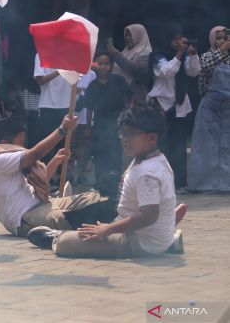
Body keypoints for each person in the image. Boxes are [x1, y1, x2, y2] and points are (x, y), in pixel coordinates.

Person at [27, 102, 185, 258]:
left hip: (140, 243)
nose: (124, 139)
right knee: (91, 220)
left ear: (151, 138)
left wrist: (108, 229)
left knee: (66, 244)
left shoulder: (147, 173)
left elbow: (149, 216)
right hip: (148, 236)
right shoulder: (156, 159)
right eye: (122, 133)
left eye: (131, 134)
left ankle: (58, 237)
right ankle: (169, 241)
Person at [0, 115, 116, 237]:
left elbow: (40, 180)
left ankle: (119, 211)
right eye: (20, 142)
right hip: (25, 218)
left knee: (91, 198)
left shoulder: (8, 161)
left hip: (42, 205)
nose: (23, 146)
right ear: (4, 143)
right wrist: (62, 130)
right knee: (74, 216)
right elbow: (35, 154)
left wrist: (56, 160)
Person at [147, 23, 200, 189]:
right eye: (176, 39)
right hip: (161, 104)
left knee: (179, 145)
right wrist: (179, 53)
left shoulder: (183, 55)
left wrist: (192, 55)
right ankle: (162, 183)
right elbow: (165, 72)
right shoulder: (157, 55)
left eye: (180, 39)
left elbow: (194, 72)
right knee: (162, 144)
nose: (179, 42)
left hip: (179, 105)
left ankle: (179, 182)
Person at [83, 52, 132, 198]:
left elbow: (130, 96)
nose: (103, 66)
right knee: (99, 154)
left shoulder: (118, 81)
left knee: (115, 153)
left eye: (106, 63)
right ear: (95, 66)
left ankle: (115, 185)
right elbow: (89, 108)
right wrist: (87, 127)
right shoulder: (92, 86)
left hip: (117, 122)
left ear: (111, 66)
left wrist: (128, 114)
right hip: (99, 124)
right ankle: (101, 186)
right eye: (100, 63)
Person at [188, 26, 230, 192]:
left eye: (224, 38)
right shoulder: (207, 56)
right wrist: (223, 49)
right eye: (218, 38)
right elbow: (205, 67)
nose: (221, 41)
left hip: (228, 108)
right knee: (207, 146)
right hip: (210, 108)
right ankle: (205, 184)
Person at [33, 53, 71, 160]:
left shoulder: (71, 53)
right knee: (46, 143)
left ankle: (61, 174)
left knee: (64, 143)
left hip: (67, 105)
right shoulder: (41, 54)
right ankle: (44, 173)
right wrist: (60, 71)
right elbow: (40, 80)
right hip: (47, 104)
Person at [108, 24, 152, 103]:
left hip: (132, 97)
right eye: (126, 35)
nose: (127, 38)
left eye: (130, 35)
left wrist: (118, 56)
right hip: (117, 95)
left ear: (139, 35)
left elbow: (140, 72)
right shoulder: (126, 51)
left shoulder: (145, 52)